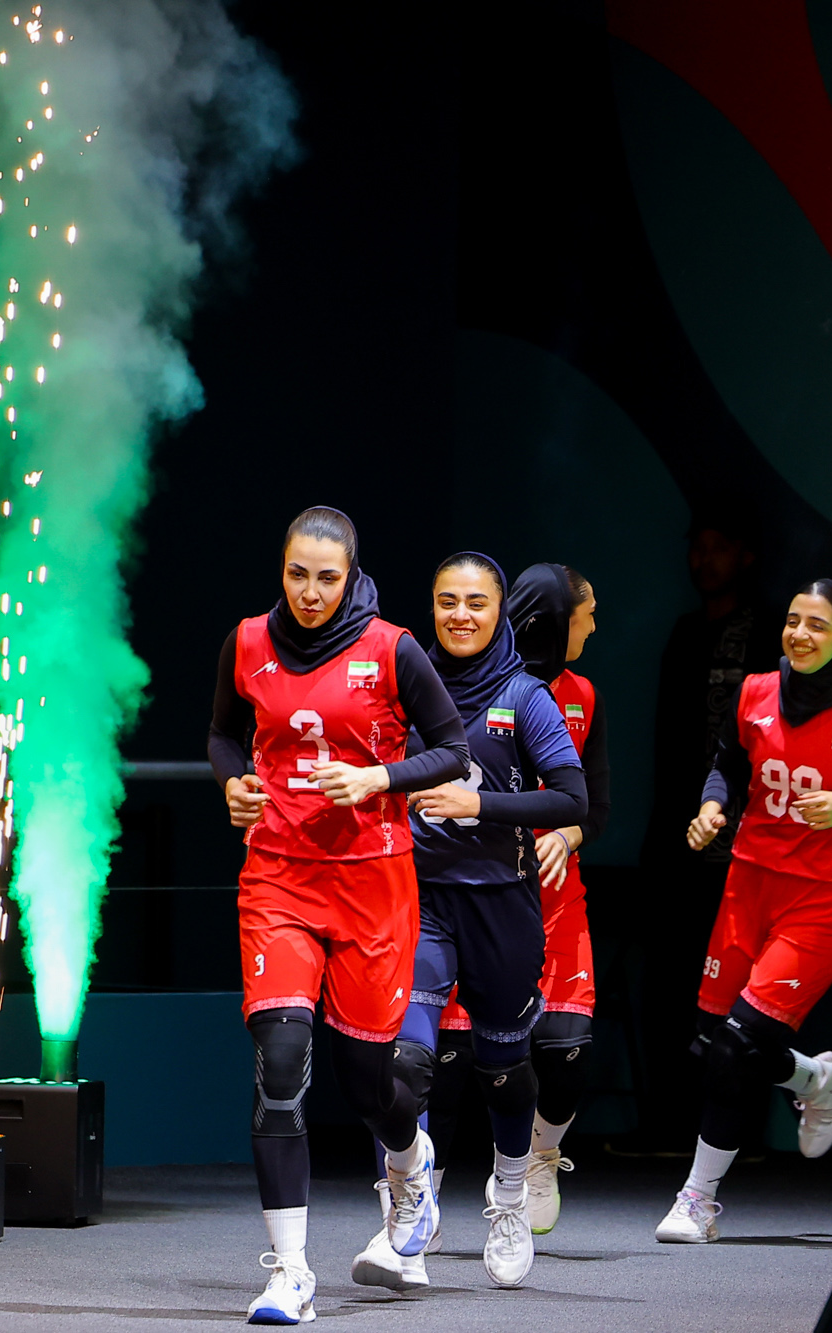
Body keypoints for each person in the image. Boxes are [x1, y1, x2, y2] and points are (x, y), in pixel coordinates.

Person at [207, 507, 472, 1324]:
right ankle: (290, 1272)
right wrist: (232, 783)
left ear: (352, 574)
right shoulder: (247, 641)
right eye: (297, 573)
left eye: (327, 576)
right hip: (279, 878)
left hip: (372, 884)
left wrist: (379, 778)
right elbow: (222, 735)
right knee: (281, 1065)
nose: (311, 591)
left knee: (366, 1083)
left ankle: (410, 1163)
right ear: (281, 568)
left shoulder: (393, 648)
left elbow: (453, 751)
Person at [656, 579, 832, 1244]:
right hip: (747, 885)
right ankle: (817, 1078)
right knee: (710, 1042)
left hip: (821, 897)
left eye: (818, 625)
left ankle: (697, 1200)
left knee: (737, 1046)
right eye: (793, 621)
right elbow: (726, 764)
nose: (800, 635)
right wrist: (712, 807)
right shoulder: (754, 693)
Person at [351, 553, 586, 1292]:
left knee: (504, 1070)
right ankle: (407, 1213)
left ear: (498, 611)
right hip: (418, 901)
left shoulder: (525, 695)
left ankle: (509, 1199)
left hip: (502, 906)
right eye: (447, 600)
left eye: (476, 602)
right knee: (405, 1064)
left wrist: (477, 804)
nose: (460, 614)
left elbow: (572, 799)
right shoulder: (405, 686)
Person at [421, 563, 609, 1237]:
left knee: (560, 1052)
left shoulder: (575, 694)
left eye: (476, 602)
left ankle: (536, 1161)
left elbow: (589, 804)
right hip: (458, 892)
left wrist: (566, 833)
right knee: (437, 1062)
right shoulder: (438, 683)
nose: (594, 627)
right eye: (587, 614)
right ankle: (418, 1195)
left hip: (544, 896)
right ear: (553, 621)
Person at [635, 511, 780, 1152]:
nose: (704, 558)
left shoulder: (768, 635)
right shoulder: (686, 633)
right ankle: (666, 1127)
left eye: (719, 546)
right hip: (679, 843)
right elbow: (668, 748)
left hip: (747, 850)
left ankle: (737, 1136)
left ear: (747, 555)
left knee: (744, 993)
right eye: (699, 546)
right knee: (670, 985)